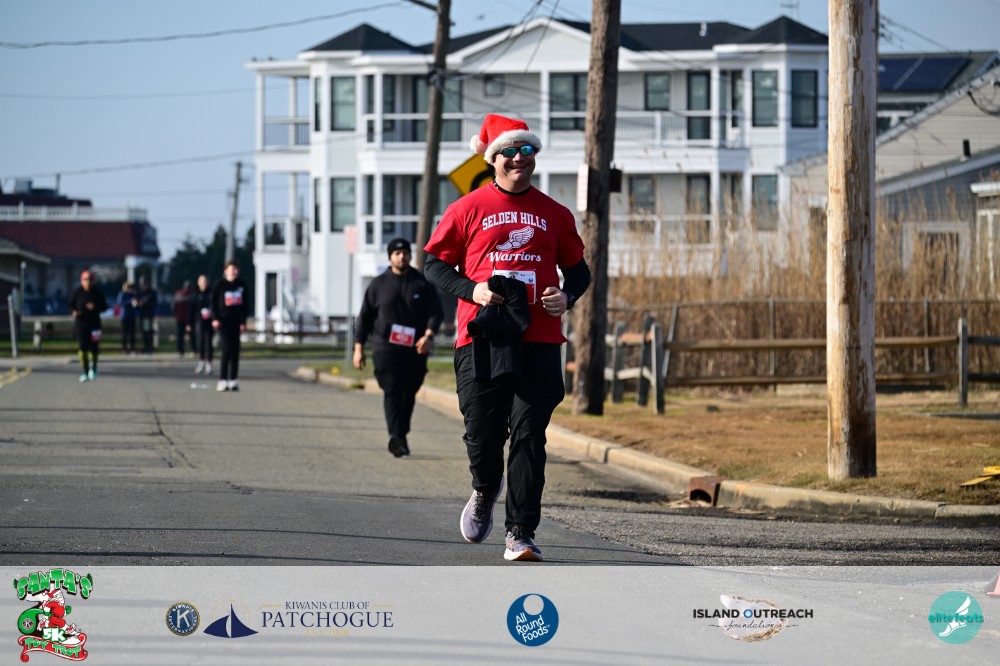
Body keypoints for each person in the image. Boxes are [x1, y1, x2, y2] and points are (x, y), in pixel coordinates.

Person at [423, 113, 591, 562]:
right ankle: (484, 488)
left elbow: (579, 271)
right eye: (510, 152)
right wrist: (472, 290)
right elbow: (434, 265)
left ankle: (520, 533)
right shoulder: (467, 208)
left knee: (530, 435)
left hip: (539, 339)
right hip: (483, 337)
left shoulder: (555, 214)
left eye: (527, 150)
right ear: (493, 159)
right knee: (482, 433)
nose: (520, 158)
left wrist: (567, 296)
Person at [353, 238, 444, 458]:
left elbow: (436, 313)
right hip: (385, 347)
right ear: (390, 257)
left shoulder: (421, 283)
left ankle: (400, 436)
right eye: (397, 253)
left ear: (410, 256)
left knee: (408, 392)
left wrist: (428, 336)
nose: (402, 257)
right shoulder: (378, 285)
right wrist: (358, 348)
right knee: (392, 390)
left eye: (405, 253)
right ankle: (396, 436)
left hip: (415, 348)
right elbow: (364, 318)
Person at [211, 260, 248, 392]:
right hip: (223, 322)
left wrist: (243, 322)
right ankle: (222, 379)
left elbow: (245, 306)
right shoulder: (219, 285)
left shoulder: (241, 285)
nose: (234, 272)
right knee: (226, 349)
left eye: (236, 269)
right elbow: (213, 303)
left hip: (236, 322)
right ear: (226, 271)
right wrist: (215, 318)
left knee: (235, 351)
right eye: (232, 269)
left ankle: (233, 379)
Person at [68, 270, 108, 382]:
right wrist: (74, 311)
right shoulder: (77, 292)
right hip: (81, 323)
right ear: (81, 281)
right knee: (82, 347)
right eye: (85, 279)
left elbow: (104, 307)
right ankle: (85, 371)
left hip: (94, 324)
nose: (88, 282)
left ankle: (94, 367)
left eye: (90, 279)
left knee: (94, 348)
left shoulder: (97, 293)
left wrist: (95, 306)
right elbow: (70, 305)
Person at [192, 274, 214, 375]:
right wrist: (189, 323)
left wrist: (211, 313)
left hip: (210, 321)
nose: (204, 283)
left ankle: (209, 362)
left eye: (205, 281)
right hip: (199, 321)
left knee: (209, 341)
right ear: (198, 283)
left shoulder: (211, 293)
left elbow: (214, 305)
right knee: (200, 341)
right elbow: (192, 309)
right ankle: (201, 360)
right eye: (202, 281)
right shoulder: (195, 294)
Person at [172, 280, 196, 358]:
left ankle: (180, 351)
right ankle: (194, 350)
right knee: (192, 336)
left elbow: (173, 307)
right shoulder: (192, 295)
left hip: (180, 318)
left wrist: (176, 314)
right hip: (190, 318)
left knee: (180, 336)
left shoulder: (178, 294)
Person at [135, 278, 158, 355]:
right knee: (143, 332)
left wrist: (144, 303)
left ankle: (149, 348)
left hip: (148, 315)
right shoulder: (139, 292)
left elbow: (153, 303)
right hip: (142, 314)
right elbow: (136, 303)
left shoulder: (151, 292)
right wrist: (138, 304)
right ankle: (145, 348)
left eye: (144, 284)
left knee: (148, 331)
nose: (143, 286)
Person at [116, 280, 137, 355]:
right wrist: (129, 302)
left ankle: (132, 349)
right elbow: (120, 303)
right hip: (125, 316)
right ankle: (124, 348)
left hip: (132, 316)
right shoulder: (122, 294)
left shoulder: (133, 295)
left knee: (132, 334)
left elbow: (135, 304)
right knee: (124, 334)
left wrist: (135, 304)